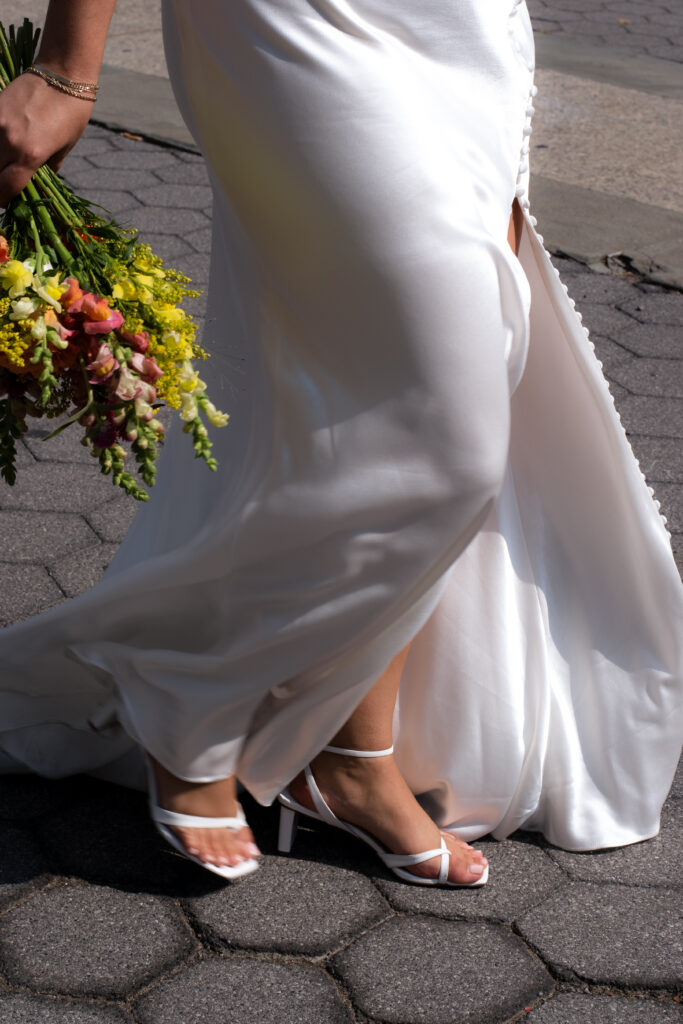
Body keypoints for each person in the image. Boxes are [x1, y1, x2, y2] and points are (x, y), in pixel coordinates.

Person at [0, 0, 681, 888]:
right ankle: (187, 685)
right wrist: (63, 66)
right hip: (285, 19)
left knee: (400, 380)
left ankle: (354, 754)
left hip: (460, 26)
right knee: (447, 444)